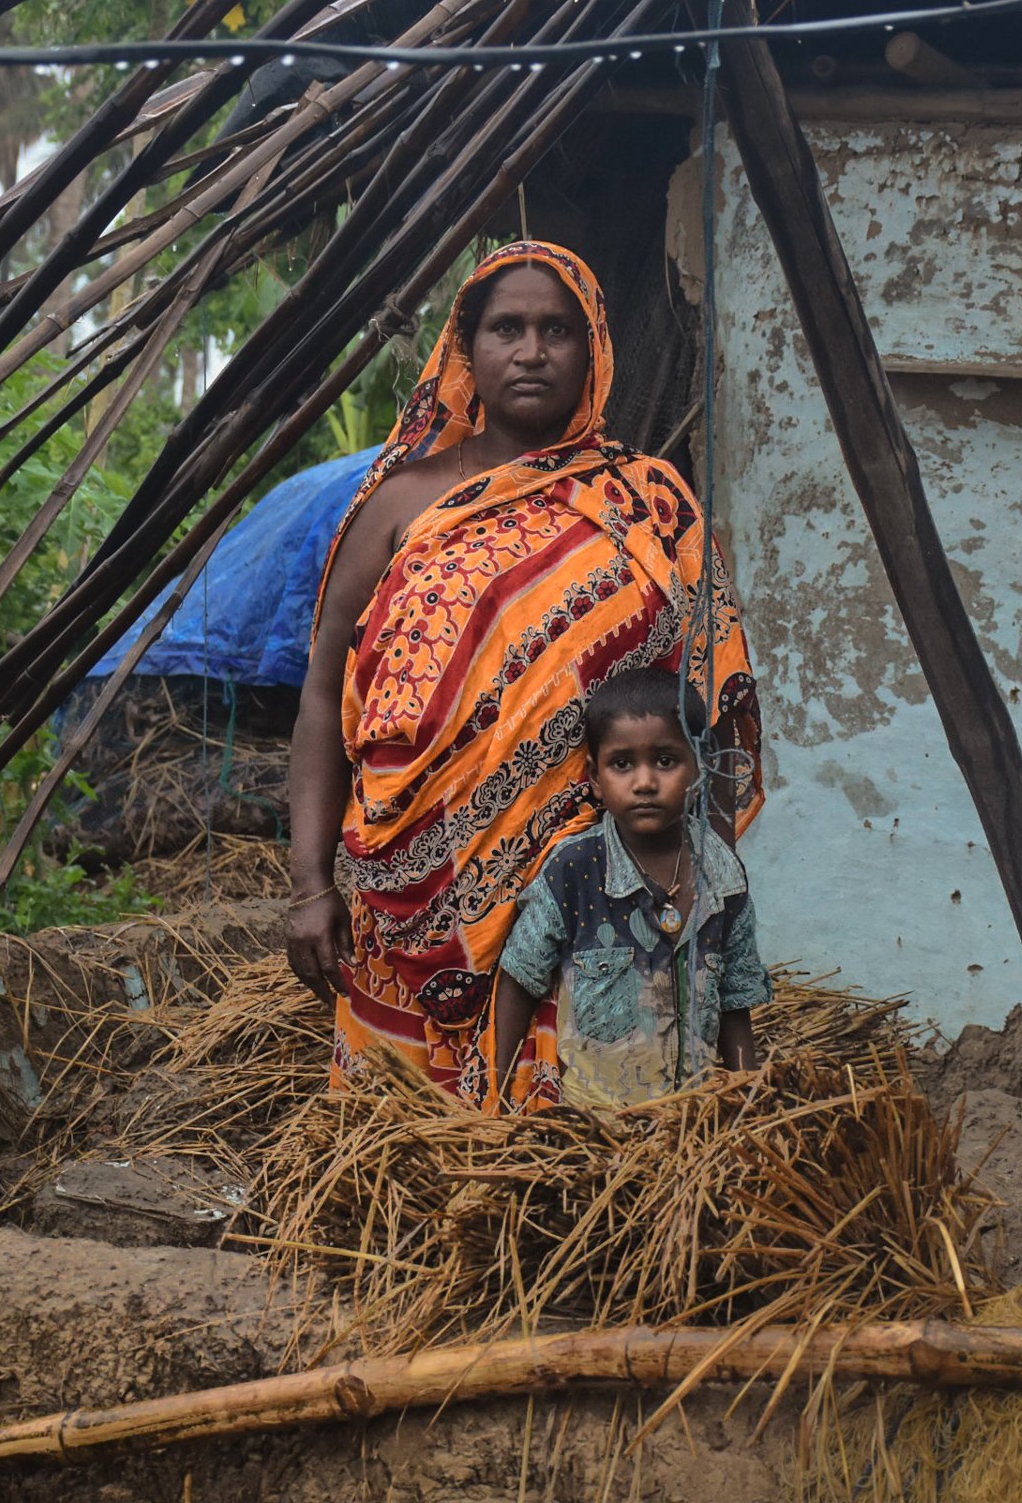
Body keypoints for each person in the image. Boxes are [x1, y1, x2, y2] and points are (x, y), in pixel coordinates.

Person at [285, 240, 762, 1109]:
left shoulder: (648, 506)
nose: (532, 350)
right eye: (507, 327)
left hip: (598, 902)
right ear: (466, 351)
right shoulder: (399, 503)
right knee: (404, 1168)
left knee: (579, 1152)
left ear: (594, 351)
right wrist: (310, 888)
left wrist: (707, 897)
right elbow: (323, 695)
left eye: (557, 330)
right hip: (403, 900)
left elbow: (714, 715)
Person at [486, 669, 767, 1111]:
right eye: (622, 764)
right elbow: (521, 975)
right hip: (594, 1129)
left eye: (665, 761)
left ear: (698, 769)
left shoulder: (723, 876)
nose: (644, 783)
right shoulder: (573, 871)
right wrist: (498, 1092)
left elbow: (735, 1000)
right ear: (595, 779)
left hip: (693, 1128)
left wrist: (749, 1101)